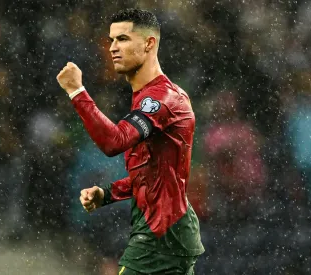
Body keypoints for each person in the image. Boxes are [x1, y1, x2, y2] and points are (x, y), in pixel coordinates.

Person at [56, 8, 204, 275]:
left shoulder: (162, 100)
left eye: (122, 39)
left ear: (149, 44)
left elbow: (114, 142)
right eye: (111, 40)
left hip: (161, 235)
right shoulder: (150, 98)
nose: (113, 48)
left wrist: (76, 91)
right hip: (166, 232)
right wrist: (108, 194)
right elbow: (152, 175)